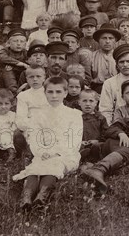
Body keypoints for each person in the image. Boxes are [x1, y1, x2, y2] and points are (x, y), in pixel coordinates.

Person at [14, 77, 82, 210]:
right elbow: (34, 137)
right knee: (35, 168)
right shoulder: (38, 114)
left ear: (65, 93)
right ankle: (26, 198)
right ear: (44, 93)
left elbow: (74, 141)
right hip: (43, 152)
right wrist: (41, 151)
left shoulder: (74, 115)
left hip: (65, 154)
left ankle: (42, 197)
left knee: (54, 165)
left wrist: (55, 153)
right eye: (50, 92)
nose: (54, 96)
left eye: (58, 92)